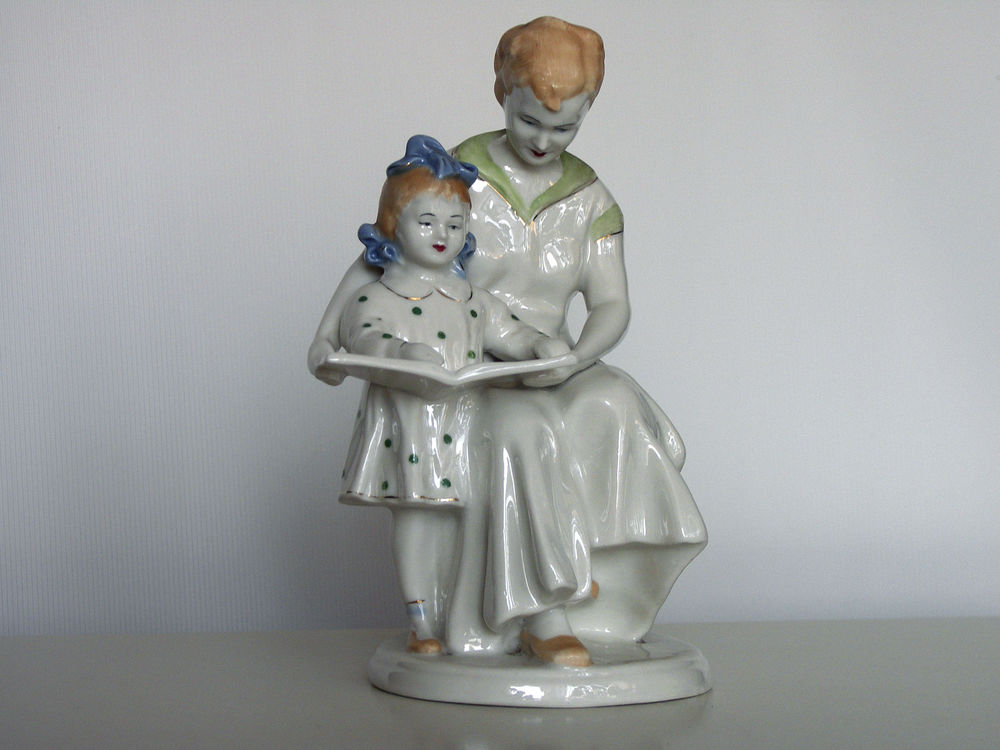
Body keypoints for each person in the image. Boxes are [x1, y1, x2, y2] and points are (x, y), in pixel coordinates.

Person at [309, 17, 706, 667]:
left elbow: (611, 303)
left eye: (565, 128)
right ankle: (545, 612)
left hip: (550, 357)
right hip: (473, 365)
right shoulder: (458, 175)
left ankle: (600, 579)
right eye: (529, 121)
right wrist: (327, 332)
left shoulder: (591, 198)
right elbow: (384, 250)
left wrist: (576, 358)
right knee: (524, 430)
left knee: (616, 404)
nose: (544, 141)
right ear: (502, 92)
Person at [333, 135, 569, 655]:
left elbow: (508, 332)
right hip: (409, 427)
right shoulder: (378, 295)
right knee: (417, 520)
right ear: (393, 223)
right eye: (427, 222)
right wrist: (401, 353)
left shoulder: (470, 298)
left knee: (470, 522)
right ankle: (421, 620)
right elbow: (364, 336)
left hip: (464, 424)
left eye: (455, 224)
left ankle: (464, 611)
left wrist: (539, 345)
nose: (443, 235)